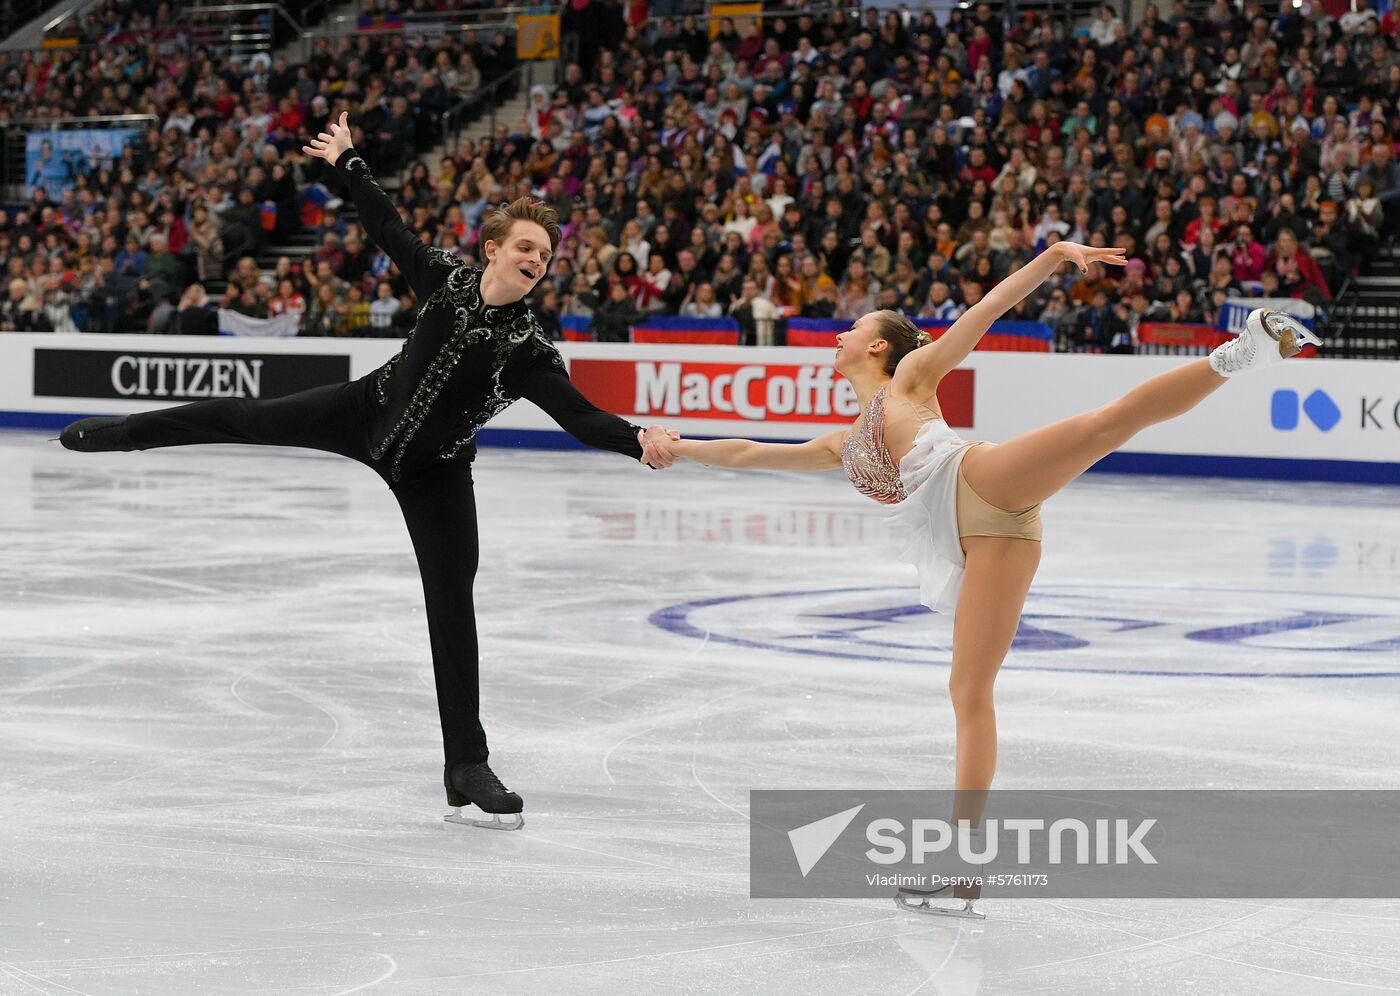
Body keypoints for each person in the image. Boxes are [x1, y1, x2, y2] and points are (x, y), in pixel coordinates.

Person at [639, 240, 1320, 915]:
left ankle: (1243, 350)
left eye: (854, 328)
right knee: (968, 692)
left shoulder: (912, 379)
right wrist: (680, 447)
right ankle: (963, 864)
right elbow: (752, 452)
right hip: (988, 540)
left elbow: (988, 310)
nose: (840, 334)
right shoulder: (841, 443)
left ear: (879, 348)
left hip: (980, 480)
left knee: (1105, 424)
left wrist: (1054, 256)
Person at [58, 114, 661, 832]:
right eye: (526, 246)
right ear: (492, 248)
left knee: (452, 606)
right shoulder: (444, 280)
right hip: (361, 409)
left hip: (434, 472)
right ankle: (128, 435)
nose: (538, 259)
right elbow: (387, 225)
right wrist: (349, 161)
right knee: (244, 418)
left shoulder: (530, 352)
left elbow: (582, 419)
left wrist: (636, 439)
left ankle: (466, 765)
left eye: (547, 253)